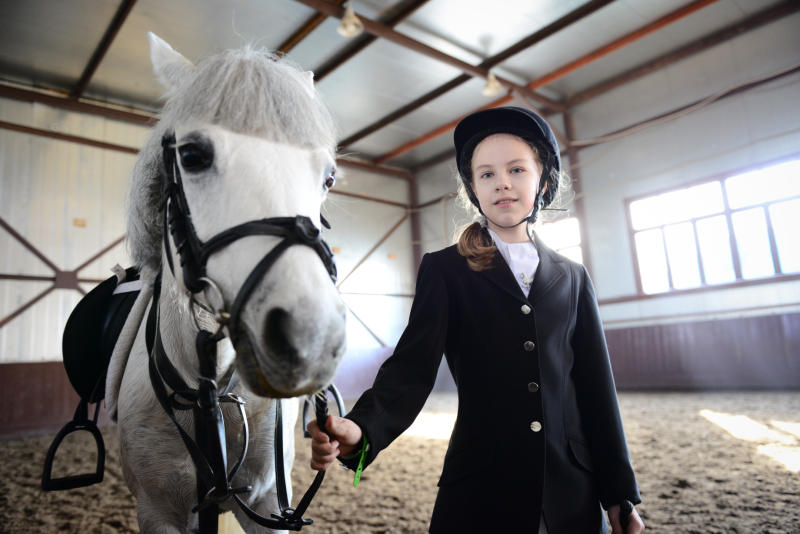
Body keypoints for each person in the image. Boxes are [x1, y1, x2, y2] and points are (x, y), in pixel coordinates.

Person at [308, 106, 645, 534]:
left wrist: (618, 491)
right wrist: (360, 429)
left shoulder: (573, 278)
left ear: (542, 181)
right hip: (481, 489)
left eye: (516, 169)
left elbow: (597, 391)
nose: (502, 181)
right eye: (486, 174)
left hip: (572, 491)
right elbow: (411, 369)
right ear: (473, 188)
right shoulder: (445, 271)